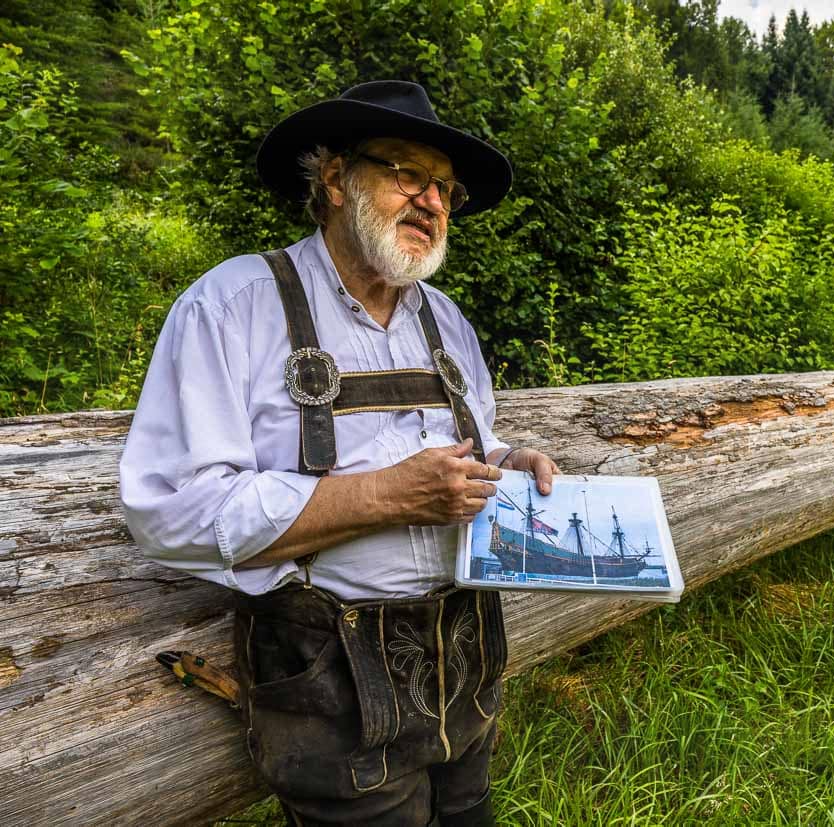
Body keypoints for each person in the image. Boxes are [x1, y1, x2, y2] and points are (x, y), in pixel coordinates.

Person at [119, 80, 557, 826]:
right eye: (407, 175)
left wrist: (506, 460)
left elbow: (462, 449)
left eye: (444, 188)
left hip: (468, 668)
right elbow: (171, 511)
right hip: (331, 688)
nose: (432, 202)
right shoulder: (232, 305)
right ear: (334, 178)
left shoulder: (448, 324)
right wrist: (387, 496)